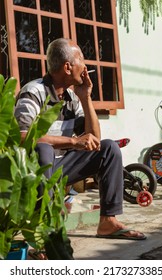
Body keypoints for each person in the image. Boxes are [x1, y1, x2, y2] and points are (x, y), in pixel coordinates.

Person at [14, 38, 146, 240]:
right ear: (68, 67)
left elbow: (94, 139)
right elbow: (23, 138)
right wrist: (74, 142)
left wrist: (85, 97)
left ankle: (108, 222)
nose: (86, 66)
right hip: (33, 169)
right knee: (44, 149)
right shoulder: (34, 92)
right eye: (81, 60)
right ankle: (43, 233)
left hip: (61, 167)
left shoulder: (72, 97)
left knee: (108, 148)